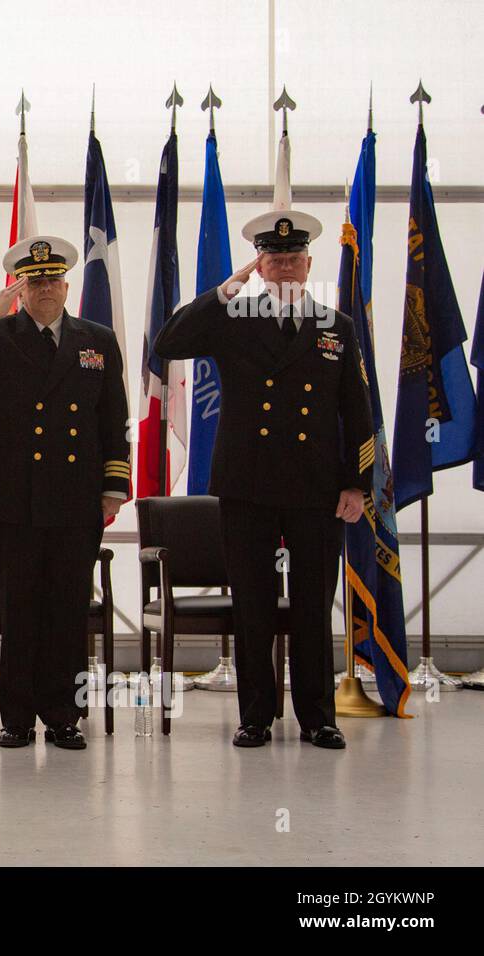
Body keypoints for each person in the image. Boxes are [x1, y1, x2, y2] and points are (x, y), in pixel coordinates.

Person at [155, 209, 374, 750]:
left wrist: (357, 485)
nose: (284, 268)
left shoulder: (335, 327)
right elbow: (169, 342)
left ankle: (318, 716)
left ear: (308, 263)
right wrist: (224, 290)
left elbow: (357, 410)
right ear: (260, 263)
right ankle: (255, 714)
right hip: (247, 485)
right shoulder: (234, 317)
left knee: (311, 604)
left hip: (316, 490)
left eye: (293, 259)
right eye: (273, 259)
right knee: (252, 604)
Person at [0, 236, 130, 749]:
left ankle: (63, 715)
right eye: (33, 281)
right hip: (13, 500)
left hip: (74, 500)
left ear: (67, 285)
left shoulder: (97, 340)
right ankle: (16, 717)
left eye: (51, 280)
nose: (44, 290)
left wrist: (113, 487)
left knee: (66, 610)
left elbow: (114, 417)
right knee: (19, 610)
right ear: (20, 288)